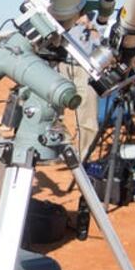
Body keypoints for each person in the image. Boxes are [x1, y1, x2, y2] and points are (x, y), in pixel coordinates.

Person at [60, 11, 101, 159]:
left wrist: (92, 26)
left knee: (87, 116)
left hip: (85, 67)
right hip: (61, 64)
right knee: (51, 111)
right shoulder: (60, 10)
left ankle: (84, 158)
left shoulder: (95, 16)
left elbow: (103, 41)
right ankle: (63, 148)